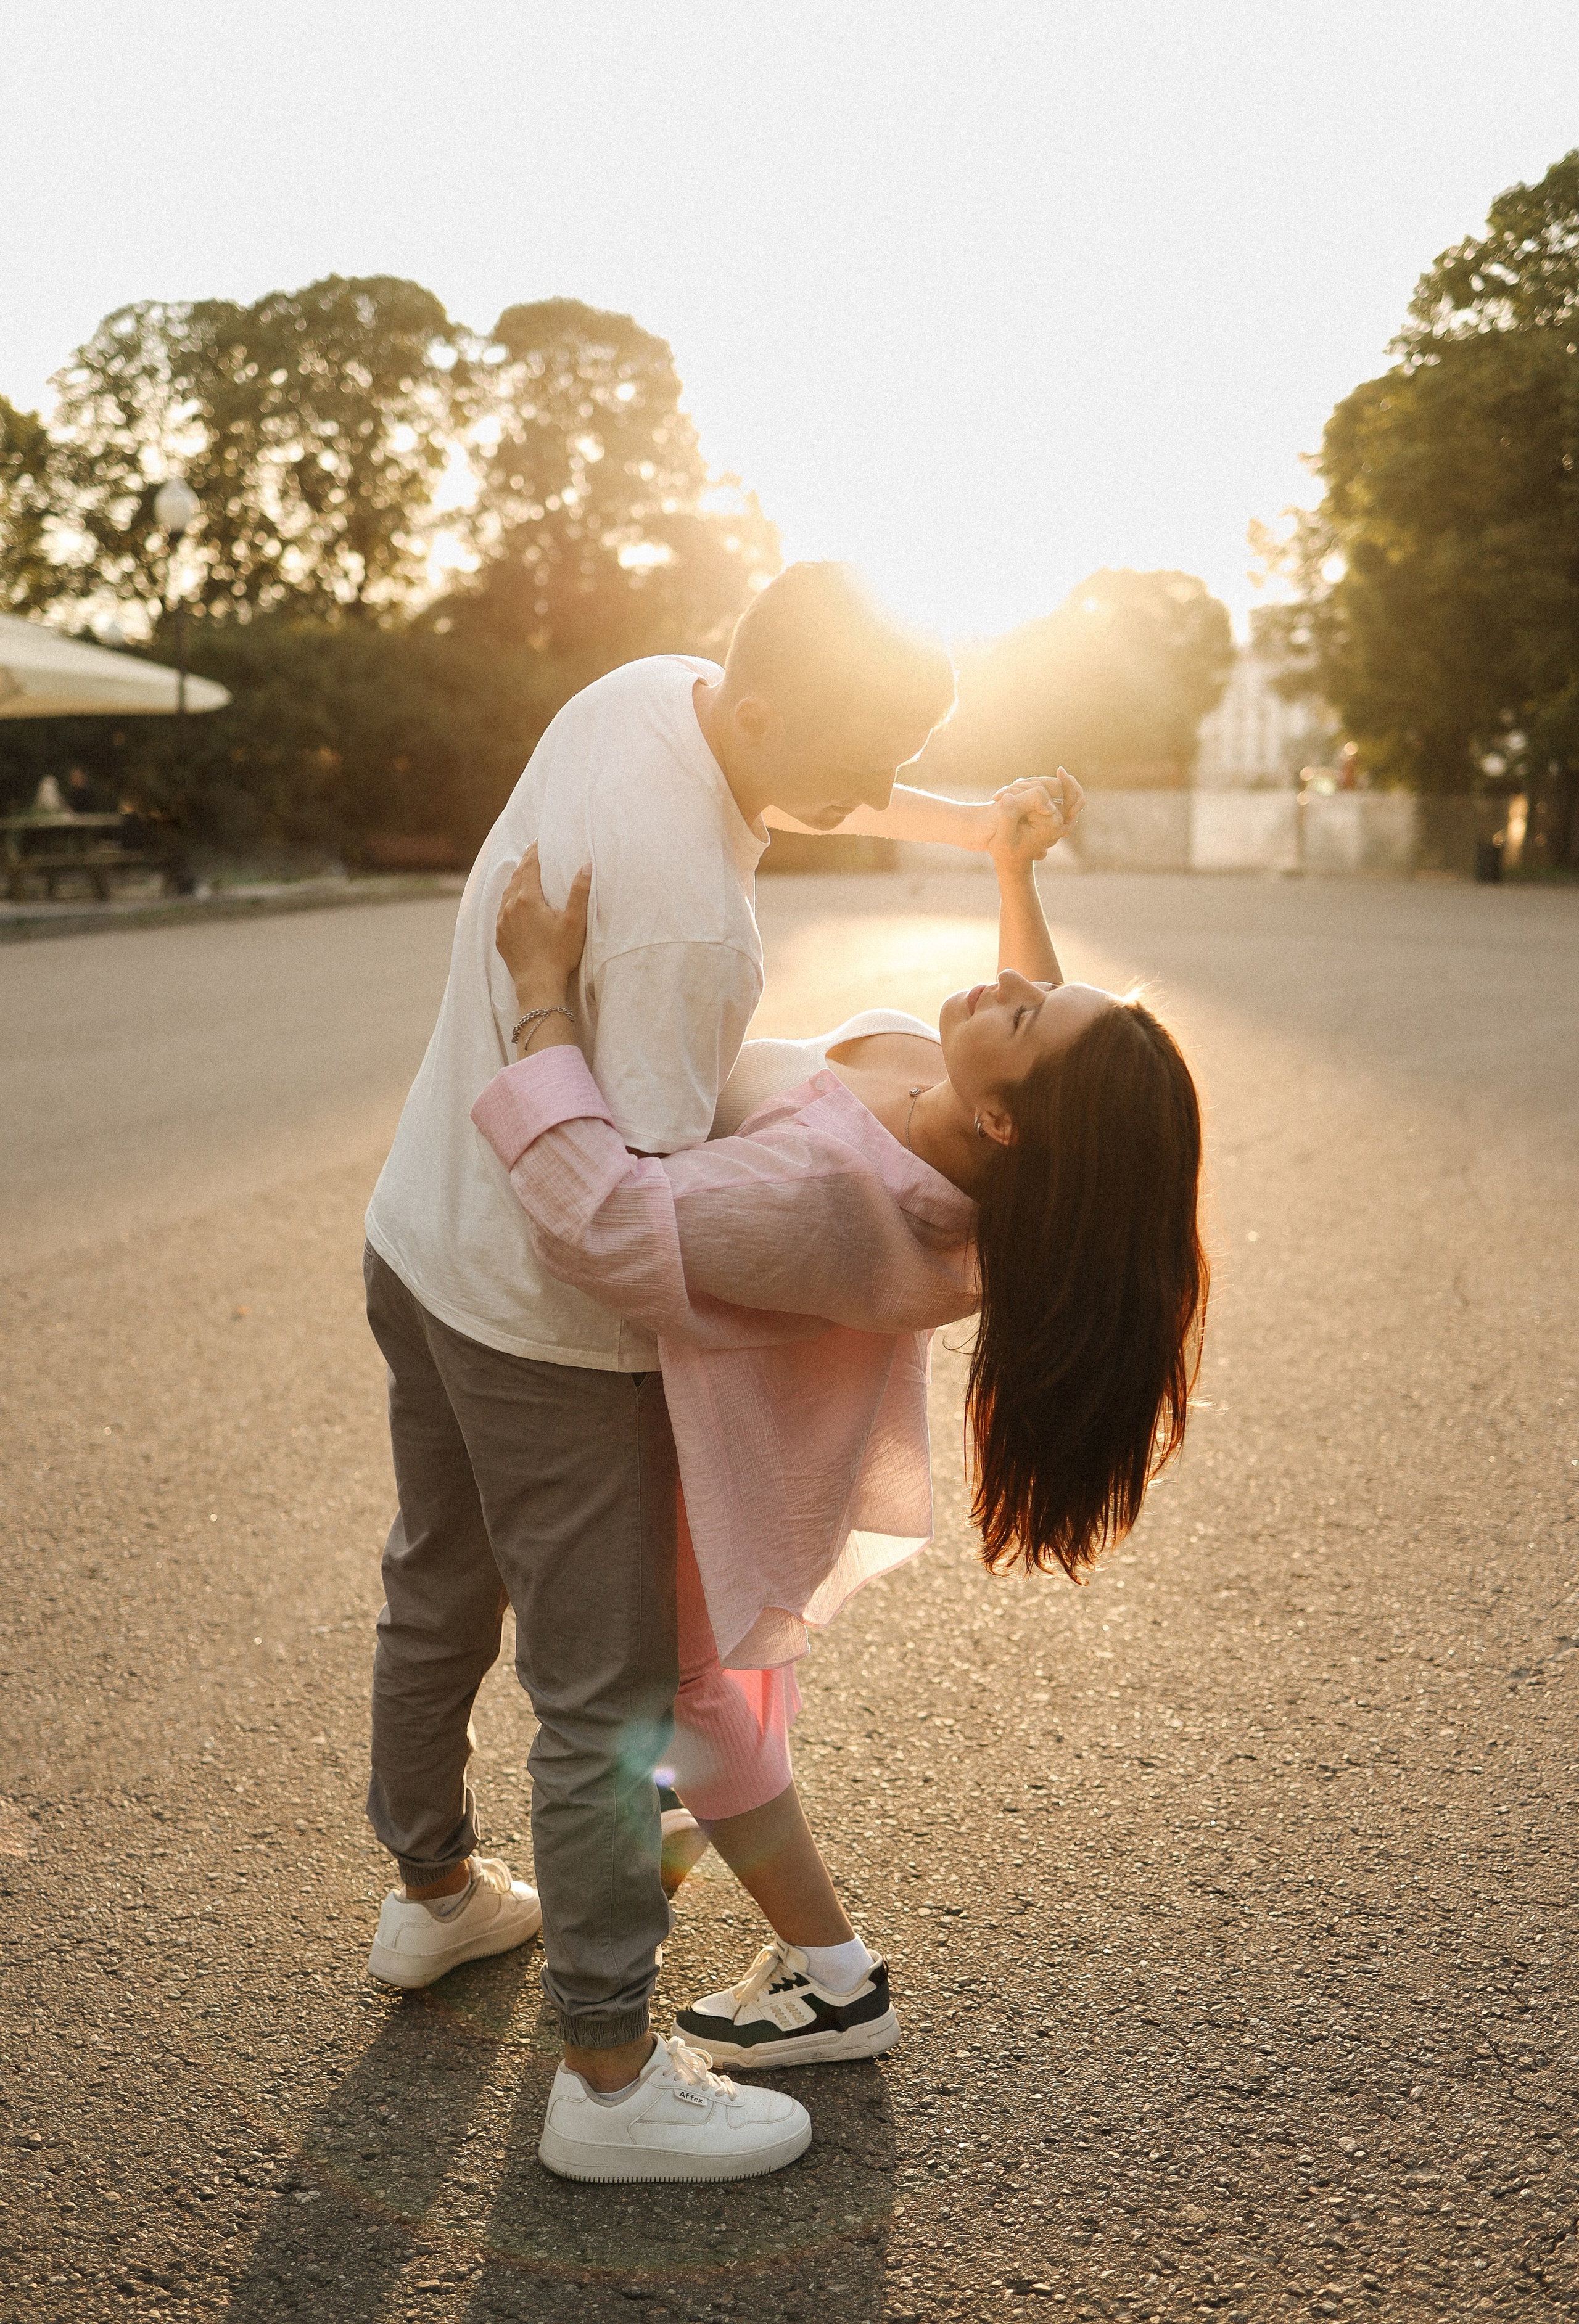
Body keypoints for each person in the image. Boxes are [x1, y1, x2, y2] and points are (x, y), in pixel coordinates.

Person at [359, 561, 1071, 2183]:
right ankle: (609, 2083)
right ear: (758, 714)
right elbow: (614, 1225)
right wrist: (550, 999)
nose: (855, 800)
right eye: (845, 763)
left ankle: (432, 1901)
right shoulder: (688, 933)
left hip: (420, 1230)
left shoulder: (652, 692)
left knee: (436, 1590)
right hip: (542, 1324)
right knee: (608, 1709)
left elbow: (817, 772)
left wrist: (976, 834)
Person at [471, 781, 1208, 2077]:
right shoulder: (992, 1133)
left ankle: (835, 1980)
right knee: (714, 1692)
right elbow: (1051, 1052)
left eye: (1020, 1014)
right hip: (763, 1437)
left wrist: (541, 995)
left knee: (688, 1689)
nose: (998, 988)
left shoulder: (834, 1196)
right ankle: (686, 1818)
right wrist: (1008, 868)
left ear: (1001, 1119)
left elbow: (596, 1220)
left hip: (714, 1459)